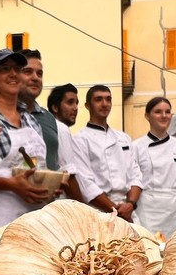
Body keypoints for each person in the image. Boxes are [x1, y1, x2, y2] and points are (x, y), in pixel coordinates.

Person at [0, 49, 50, 226]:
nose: (13, 74)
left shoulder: (31, 120)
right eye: (4, 69)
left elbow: (38, 164)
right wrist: (12, 184)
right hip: (1, 217)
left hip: (37, 218)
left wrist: (51, 185)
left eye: (17, 69)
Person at [48, 83, 125, 216]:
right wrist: (83, 212)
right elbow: (70, 178)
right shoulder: (62, 130)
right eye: (70, 103)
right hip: (67, 207)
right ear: (55, 107)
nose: (75, 108)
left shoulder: (50, 129)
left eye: (76, 103)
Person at [74, 85, 143, 222]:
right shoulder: (80, 140)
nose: (104, 104)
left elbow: (136, 176)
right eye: (98, 99)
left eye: (108, 99)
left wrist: (130, 204)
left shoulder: (123, 138)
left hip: (127, 210)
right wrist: (116, 211)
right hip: (98, 211)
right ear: (88, 105)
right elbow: (86, 184)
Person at [133, 97, 176, 238]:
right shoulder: (136, 147)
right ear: (147, 116)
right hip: (148, 208)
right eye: (158, 112)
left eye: (167, 112)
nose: (164, 116)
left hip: (175, 209)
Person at [18, 49, 59, 170]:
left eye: (39, 74)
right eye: (28, 72)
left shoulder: (49, 117)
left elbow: (55, 161)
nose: (35, 78)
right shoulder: (5, 115)